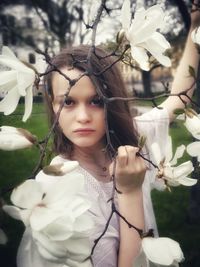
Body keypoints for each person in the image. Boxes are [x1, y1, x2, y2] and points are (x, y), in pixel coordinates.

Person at [17, 2, 200, 267]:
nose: (82, 117)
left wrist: (195, 25)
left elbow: (176, 102)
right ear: (53, 105)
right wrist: (129, 191)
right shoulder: (59, 188)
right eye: (68, 102)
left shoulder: (131, 138)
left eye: (97, 101)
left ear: (112, 101)